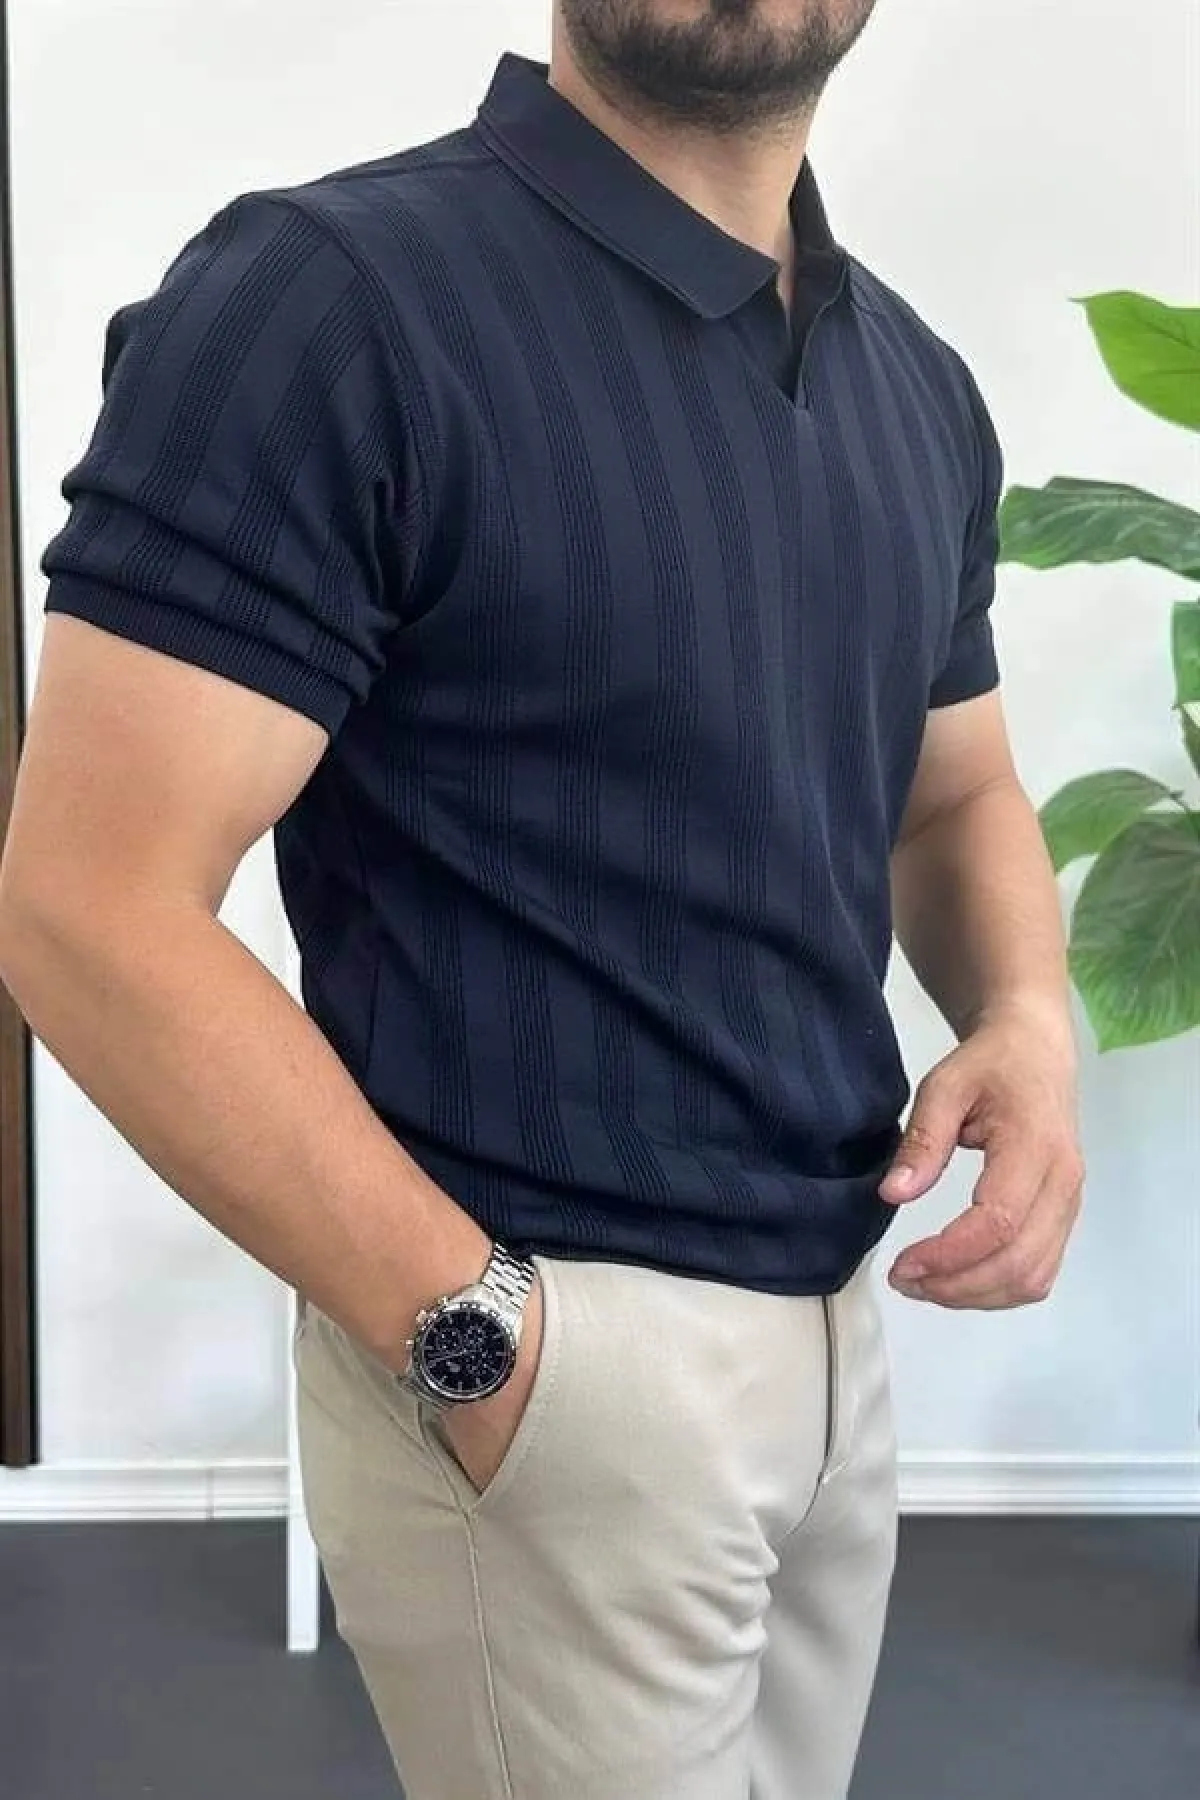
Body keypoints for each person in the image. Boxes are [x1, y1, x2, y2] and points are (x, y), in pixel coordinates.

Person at [0, 5, 1086, 1796]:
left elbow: (953, 790)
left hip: (836, 1348)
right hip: (543, 1355)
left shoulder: (915, 384)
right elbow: (87, 906)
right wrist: (481, 1343)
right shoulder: (330, 304)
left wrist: (1029, 1017)